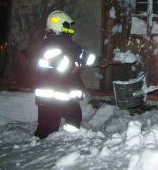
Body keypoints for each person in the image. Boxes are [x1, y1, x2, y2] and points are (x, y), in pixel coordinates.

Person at [34, 10, 107, 139]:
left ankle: (65, 142)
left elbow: (82, 57)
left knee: (72, 118)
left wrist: (99, 61)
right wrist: (70, 66)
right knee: (49, 126)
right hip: (51, 97)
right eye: (67, 25)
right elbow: (56, 60)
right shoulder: (50, 43)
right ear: (61, 25)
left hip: (62, 94)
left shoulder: (68, 44)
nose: (70, 28)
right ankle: (49, 145)